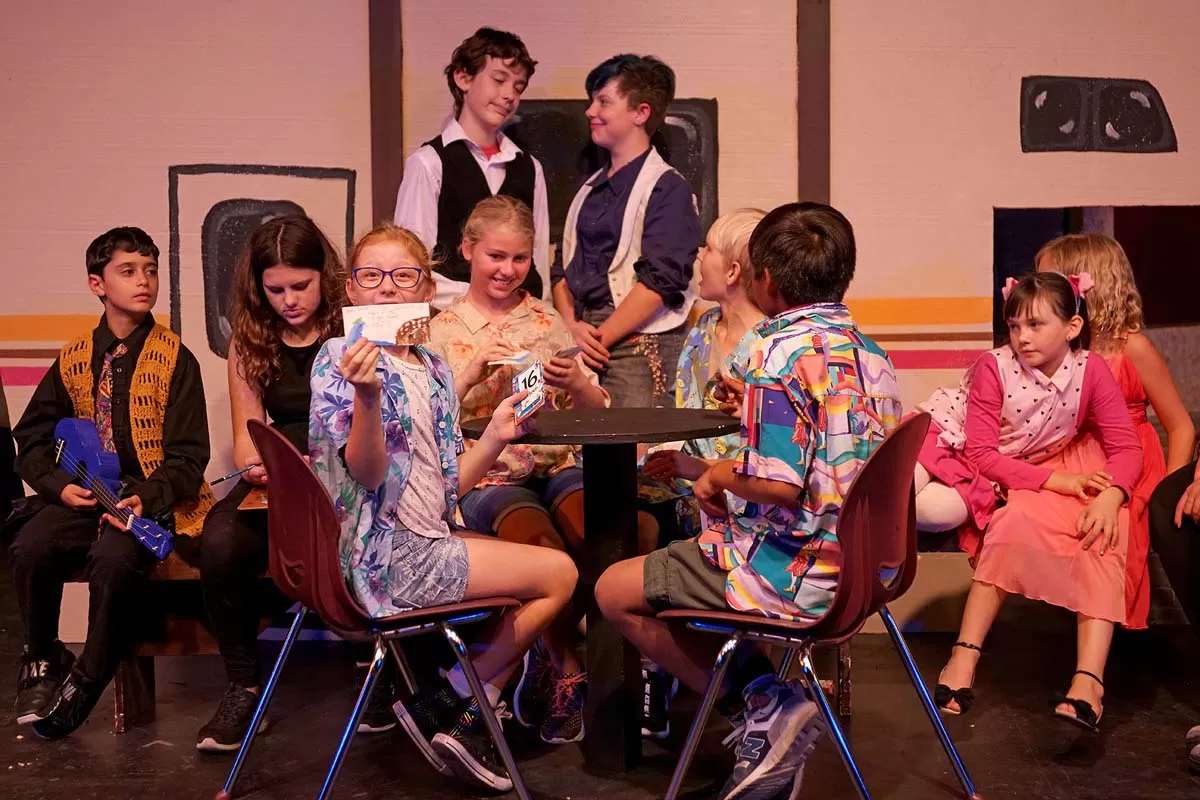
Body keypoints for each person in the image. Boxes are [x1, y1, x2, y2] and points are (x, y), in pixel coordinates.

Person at [596, 202, 903, 800]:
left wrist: (714, 474)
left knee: (612, 590)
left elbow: (779, 486)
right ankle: (769, 713)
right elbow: (831, 444)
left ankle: (765, 704)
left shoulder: (774, 350)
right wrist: (754, 415)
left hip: (798, 569)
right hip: (866, 567)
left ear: (764, 279)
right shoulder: (870, 352)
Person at [309, 222, 577, 791]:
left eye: (403, 275)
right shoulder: (338, 358)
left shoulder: (431, 368)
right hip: (384, 557)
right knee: (559, 574)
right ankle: (455, 699)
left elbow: (447, 486)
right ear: (351, 289)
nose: (387, 286)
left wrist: (496, 434)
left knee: (536, 568)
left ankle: (463, 705)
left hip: (430, 538)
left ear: (427, 289)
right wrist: (367, 396)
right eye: (370, 276)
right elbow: (367, 474)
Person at [11, 227, 213, 739]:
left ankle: (88, 677)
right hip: (86, 495)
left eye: (150, 270)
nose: (144, 281)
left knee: (113, 559)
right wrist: (57, 486)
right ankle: (41, 657)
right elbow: (31, 436)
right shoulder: (75, 356)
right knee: (31, 545)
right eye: (128, 271)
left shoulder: (175, 359)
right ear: (97, 284)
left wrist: (145, 496)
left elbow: (189, 458)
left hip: (146, 502)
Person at [923, 272, 1141, 733]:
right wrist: (1056, 481)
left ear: (1072, 327)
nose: (1022, 337)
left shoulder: (1090, 370)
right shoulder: (995, 366)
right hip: (1000, 462)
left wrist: (1113, 495)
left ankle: (1088, 681)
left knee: (1104, 534)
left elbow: (1126, 446)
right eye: (1014, 326)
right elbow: (983, 454)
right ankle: (964, 655)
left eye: (1036, 325)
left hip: (1046, 466)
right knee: (1007, 523)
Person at [427, 196, 606, 745]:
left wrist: (576, 383)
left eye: (520, 259)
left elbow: (594, 410)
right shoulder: (442, 329)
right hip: (489, 473)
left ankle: (607, 672)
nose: (507, 270)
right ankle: (566, 666)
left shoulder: (547, 320)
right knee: (542, 550)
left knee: (600, 535)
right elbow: (426, 421)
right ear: (468, 251)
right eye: (496, 256)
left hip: (556, 461)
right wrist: (472, 373)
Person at [195, 215, 347, 752]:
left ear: (324, 276)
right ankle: (244, 687)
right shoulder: (250, 341)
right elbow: (246, 437)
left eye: (301, 286)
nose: (289, 301)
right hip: (283, 473)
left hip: (350, 468)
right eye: (275, 289)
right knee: (220, 542)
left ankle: (384, 676)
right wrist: (258, 465)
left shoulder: (350, 328)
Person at [636, 207, 766, 739]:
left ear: (732, 270)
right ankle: (653, 661)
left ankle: (723, 679)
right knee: (616, 507)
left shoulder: (772, 346)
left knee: (671, 524)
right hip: (688, 477)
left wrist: (700, 470)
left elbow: (770, 453)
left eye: (707, 249)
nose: (698, 257)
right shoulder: (702, 329)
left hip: (741, 490)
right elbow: (682, 415)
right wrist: (660, 453)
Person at [1037, 233, 1192, 629]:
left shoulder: (1131, 349)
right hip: (1077, 459)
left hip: (1130, 462)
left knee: (1107, 529)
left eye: (1048, 282)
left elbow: (1180, 425)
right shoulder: (1058, 349)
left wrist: (1168, 495)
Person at [550, 54, 702, 408]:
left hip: (636, 339)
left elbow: (661, 280)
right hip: (582, 333)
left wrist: (598, 338)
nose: (590, 111)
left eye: (604, 101)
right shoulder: (589, 188)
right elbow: (562, 267)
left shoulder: (667, 187)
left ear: (641, 112)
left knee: (630, 434)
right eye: (592, 100)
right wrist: (572, 326)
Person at [394, 27, 549, 308]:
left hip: (519, 317)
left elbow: (537, 259)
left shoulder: (529, 167)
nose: (509, 95)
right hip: (451, 316)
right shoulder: (429, 162)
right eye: (499, 80)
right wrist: (481, 299)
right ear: (463, 78)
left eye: (518, 87)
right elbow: (411, 264)